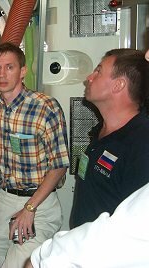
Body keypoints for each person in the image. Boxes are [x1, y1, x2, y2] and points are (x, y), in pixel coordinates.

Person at [0, 42, 69, 268]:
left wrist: (29, 209)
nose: (2, 74)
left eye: (9, 67)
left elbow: (59, 165)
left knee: (20, 264)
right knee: (3, 261)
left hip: (38, 203)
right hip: (5, 198)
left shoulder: (46, 107)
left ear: (22, 72)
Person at [70, 48, 149, 228]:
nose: (89, 77)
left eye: (98, 71)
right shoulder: (99, 131)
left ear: (118, 85)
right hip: (84, 247)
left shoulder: (141, 144)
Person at [27, 181, 149, 268]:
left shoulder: (138, 152)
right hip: (83, 233)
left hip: (93, 247)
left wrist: (40, 259)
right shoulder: (98, 145)